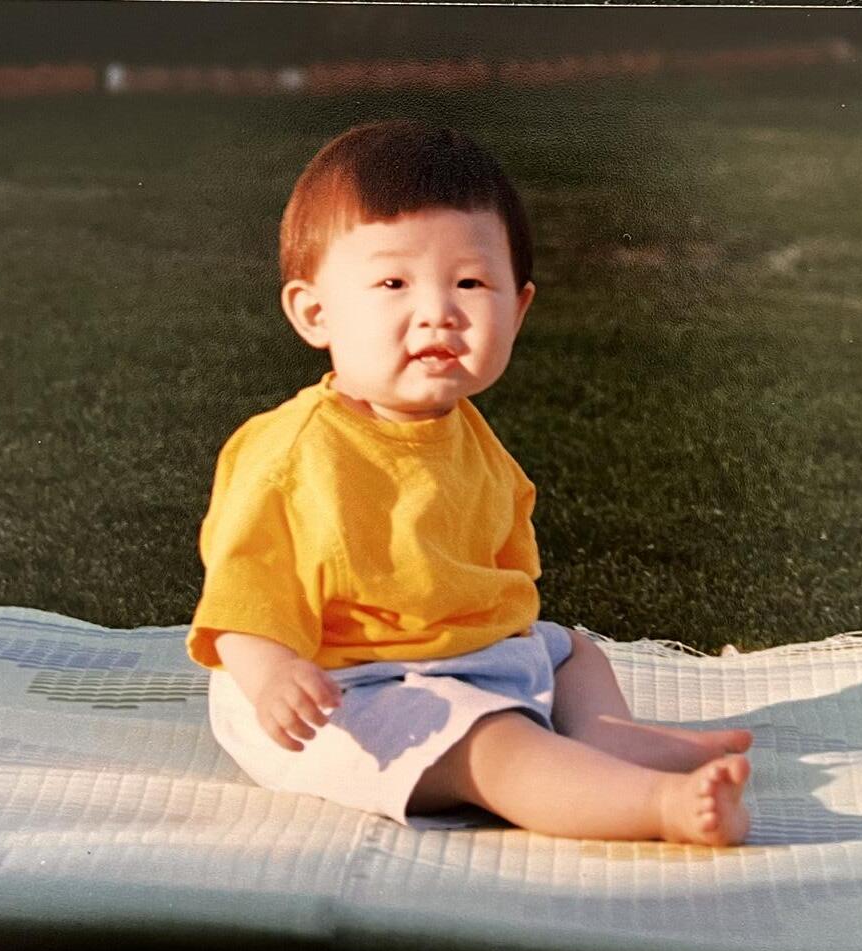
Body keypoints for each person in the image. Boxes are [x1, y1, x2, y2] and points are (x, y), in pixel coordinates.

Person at [187, 120, 752, 844]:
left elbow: (502, 568)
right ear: (315, 312)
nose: (439, 312)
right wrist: (272, 675)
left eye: (470, 283)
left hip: (455, 654)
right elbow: (241, 597)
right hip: (342, 686)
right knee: (494, 745)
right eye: (393, 283)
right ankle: (660, 807)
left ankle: (606, 733)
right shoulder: (294, 455)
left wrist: (508, 647)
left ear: (517, 310)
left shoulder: (467, 435)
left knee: (573, 650)